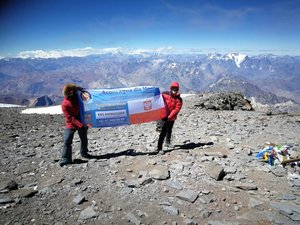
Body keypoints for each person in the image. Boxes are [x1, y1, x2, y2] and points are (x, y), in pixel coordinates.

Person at [60, 83, 92, 167]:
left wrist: (81, 90)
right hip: (71, 124)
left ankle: (84, 153)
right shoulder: (65, 104)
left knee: (84, 138)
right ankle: (65, 159)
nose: (72, 92)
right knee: (67, 141)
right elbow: (70, 118)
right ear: (68, 92)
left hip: (81, 120)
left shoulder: (76, 97)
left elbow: (85, 95)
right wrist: (81, 125)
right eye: (70, 91)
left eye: (73, 91)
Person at [157, 81, 183, 153]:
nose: (174, 90)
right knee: (163, 132)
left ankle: (167, 142)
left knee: (169, 129)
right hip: (163, 117)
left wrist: (168, 117)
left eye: (176, 89)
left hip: (171, 118)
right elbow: (158, 98)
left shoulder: (179, 100)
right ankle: (159, 148)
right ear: (171, 88)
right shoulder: (165, 94)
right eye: (173, 88)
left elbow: (176, 109)